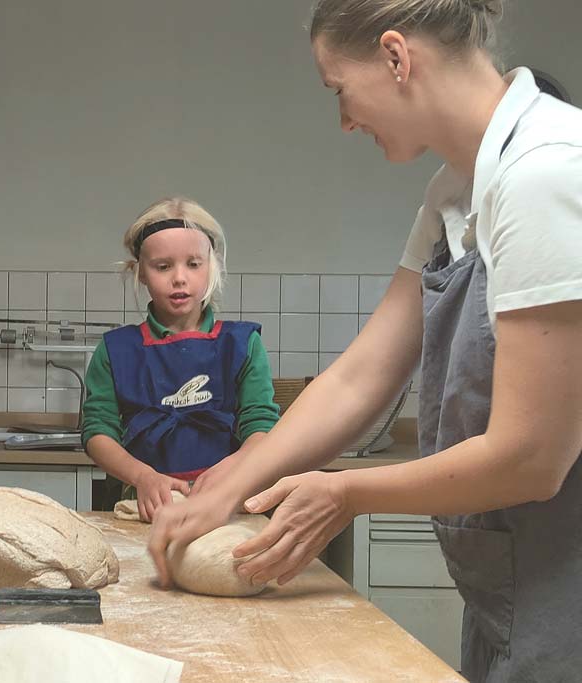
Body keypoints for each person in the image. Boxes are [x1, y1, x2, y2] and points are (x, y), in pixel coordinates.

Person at [148, 2, 582, 680]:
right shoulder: (454, 191)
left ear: (396, 56)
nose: (346, 121)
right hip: (512, 597)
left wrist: (348, 493)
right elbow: (362, 376)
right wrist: (230, 484)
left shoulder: (547, 173)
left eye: (338, 91)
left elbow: (533, 457)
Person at [82, 197, 279, 521]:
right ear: (141, 272)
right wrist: (143, 477)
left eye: (193, 264)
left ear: (211, 266)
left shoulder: (242, 344)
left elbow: (262, 426)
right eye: (163, 266)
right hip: (144, 509)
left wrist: (234, 468)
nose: (179, 278)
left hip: (229, 507)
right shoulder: (117, 350)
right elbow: (97, 431)